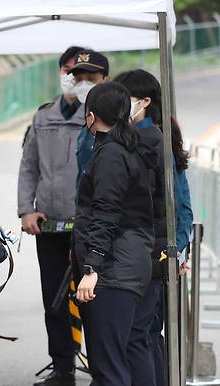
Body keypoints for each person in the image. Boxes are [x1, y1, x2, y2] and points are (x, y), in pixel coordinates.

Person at [74, 81, 157, 386]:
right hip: (130, 262)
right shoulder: (129, 148)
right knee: (121, 358)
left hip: (114, 268)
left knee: (108, 367)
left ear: (91, 116)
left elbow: (106, 213)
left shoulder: (111, 155)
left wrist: (92, 268)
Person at [115, 69, 194, 386]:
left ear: (145, 101)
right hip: (158, 252)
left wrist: (177, 249)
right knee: (146, 334)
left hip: (152, 253)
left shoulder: (149, 142)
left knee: (139, 335)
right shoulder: (153, 137)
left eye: (125, 98)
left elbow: (179, 204)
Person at [17, 45, 84, 386]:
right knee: (54, 300)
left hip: (89, 229)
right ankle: (63, 369)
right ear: (61, 74)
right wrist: (26, 209)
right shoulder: (43, 116)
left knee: (93, 300)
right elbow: (29, 167)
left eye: (83, 75)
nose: (75, 80)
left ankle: (103, 368)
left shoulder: (99, 114)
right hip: (51, 226)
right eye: (70, 73)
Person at [69, 49, 110, 185]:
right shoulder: (84, 118)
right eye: (79, 80)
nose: (84, 85)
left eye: (91, 79)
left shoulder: (115, 117)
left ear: (106, 79)